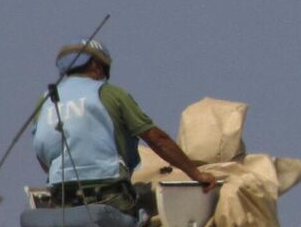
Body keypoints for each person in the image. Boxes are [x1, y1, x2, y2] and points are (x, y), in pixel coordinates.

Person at [32, 38, 218, 220]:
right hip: (108, 189)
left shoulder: (46, 100)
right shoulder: (109, 93)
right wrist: (197, 174)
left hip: (62, 194)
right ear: (97, 66)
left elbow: (42, 150)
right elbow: (157, 138)